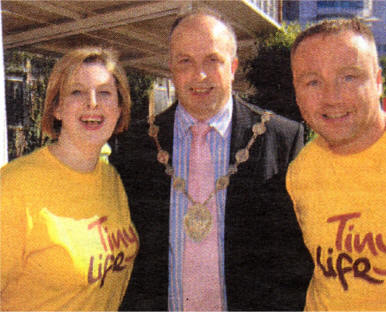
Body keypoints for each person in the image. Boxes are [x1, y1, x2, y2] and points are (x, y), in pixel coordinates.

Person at [111, 8, 312, 311]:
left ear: (233, 67)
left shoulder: (280, 139)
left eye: (212, 60)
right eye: (185, 61)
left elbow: (295, 261)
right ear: (171, 68)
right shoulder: (136, 145)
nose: (199, 75)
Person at [287, 18, 386, 310]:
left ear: (379, 82)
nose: (332, 97)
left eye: (349, 77)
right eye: (313, 82)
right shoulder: (301, 171)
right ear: (296, 91)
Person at [1, 47, 139, 311]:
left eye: (105, 93)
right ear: (57, 108)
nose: (93, 102)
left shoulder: (112, 180)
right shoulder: (13, 187)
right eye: (77, 92)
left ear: (119, 109)